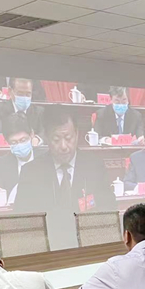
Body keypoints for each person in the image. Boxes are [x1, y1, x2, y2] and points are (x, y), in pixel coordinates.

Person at [14, 106, 115, 247]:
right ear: (47, 137)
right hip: (47, 250)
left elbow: (109, 212)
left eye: (68, 138)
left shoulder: (94, 167)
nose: (63, 146)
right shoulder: (31, 172)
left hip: (88, 248)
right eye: (56, 139)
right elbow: (21, 222)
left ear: (77, 134)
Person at [0, 113, 38, 205]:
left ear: (32, 134)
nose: (19, 145)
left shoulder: (46, 157)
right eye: (14, 142)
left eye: (23, 140)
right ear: (7, 141)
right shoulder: (1, 164)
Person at [0, 77, 44, 143]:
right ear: (10, 91)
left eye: (28, 94)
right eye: (20, 94)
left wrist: (37, 139)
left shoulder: (39, 111)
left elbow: (44, 133)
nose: (24, 97)